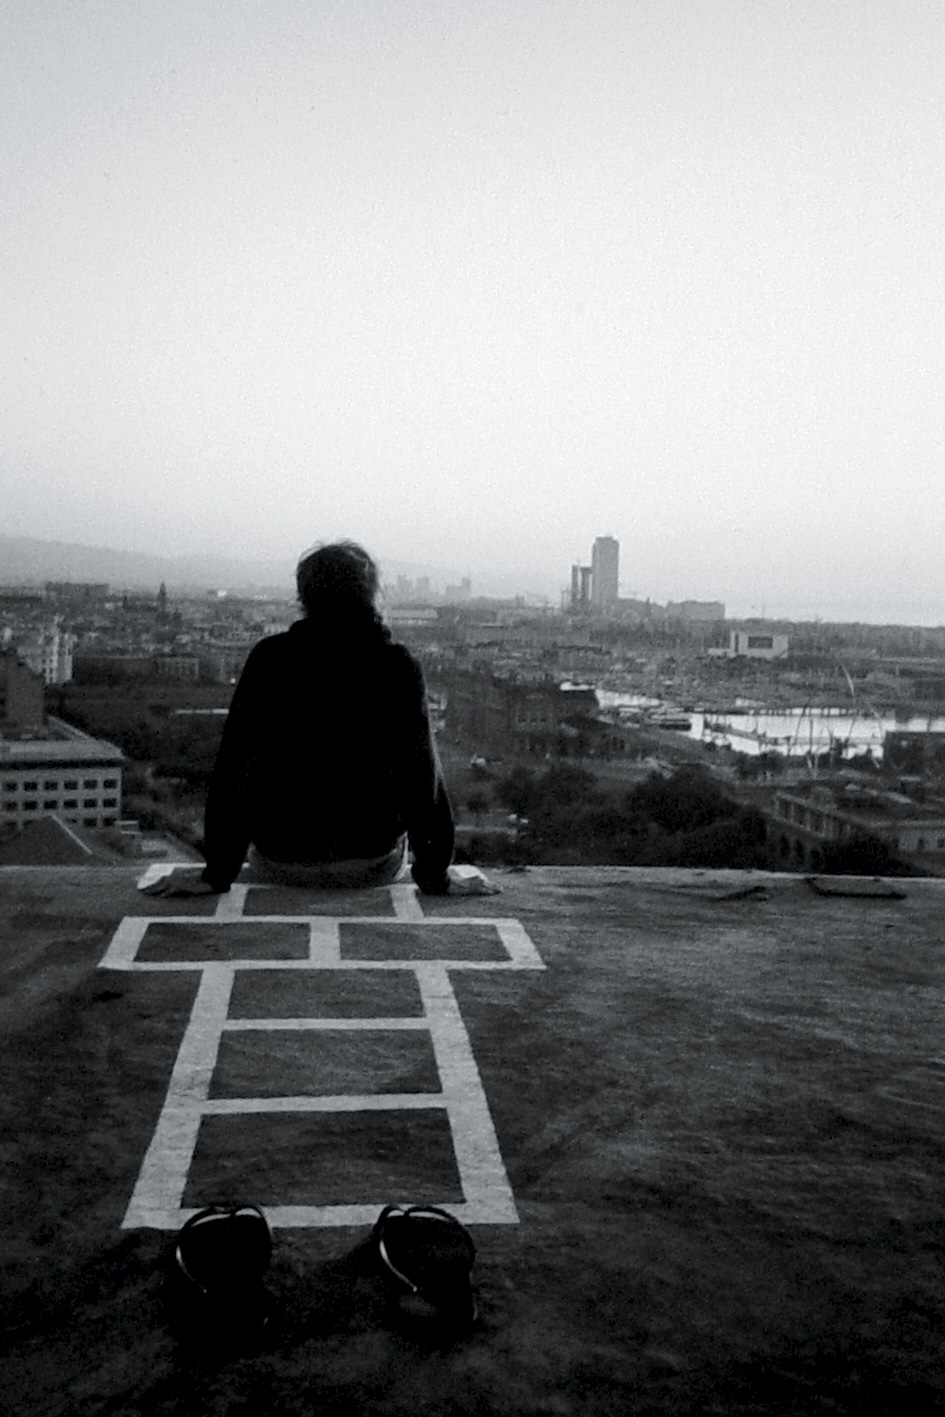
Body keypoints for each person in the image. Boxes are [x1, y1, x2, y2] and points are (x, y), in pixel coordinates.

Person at [143, 541, 453, 897]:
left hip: (280, 860)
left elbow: (235, 769)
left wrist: (216, 873)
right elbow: (420, 778)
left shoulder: (269, 659)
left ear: (304, 596)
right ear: (372, 595)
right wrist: (435, 876)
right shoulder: (397, 665)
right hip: (369, 864)